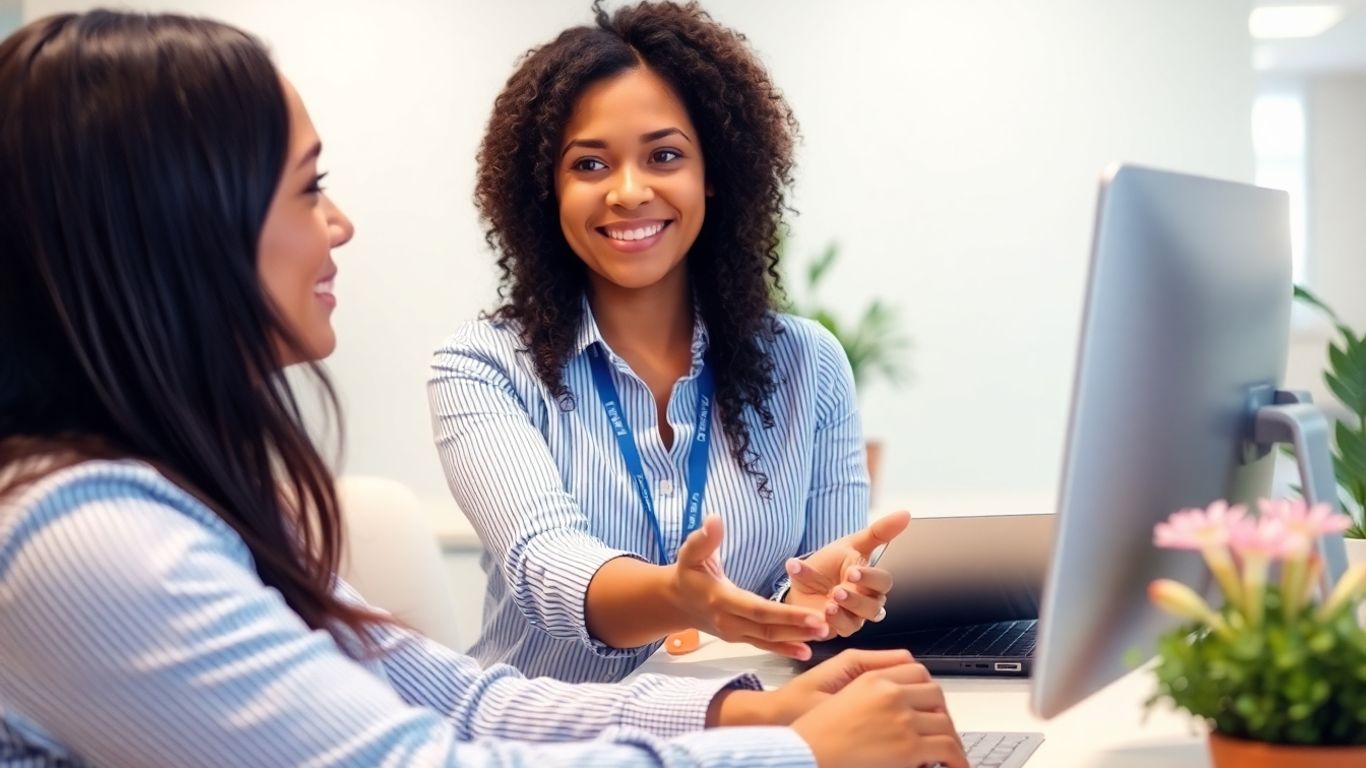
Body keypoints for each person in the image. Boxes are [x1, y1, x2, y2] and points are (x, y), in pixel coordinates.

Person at [0, 10, 968, 768]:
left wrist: (746, 711)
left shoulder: (191, 497)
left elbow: (457, 700)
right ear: (178, 227)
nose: (340, 225)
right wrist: (791, 753)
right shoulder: (91, 540)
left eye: (665, 155)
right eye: (307, 187)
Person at [429, 0, 908, 685]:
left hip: (746, 730)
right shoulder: (483, 367)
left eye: (664, 155)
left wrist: (814, 609)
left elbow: (817, 594)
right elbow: (546, 565)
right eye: (589, 164)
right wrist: (682, 598)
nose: (629, 192)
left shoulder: (809, 364)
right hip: (547, 735)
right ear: (547, 189)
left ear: (712, 173)